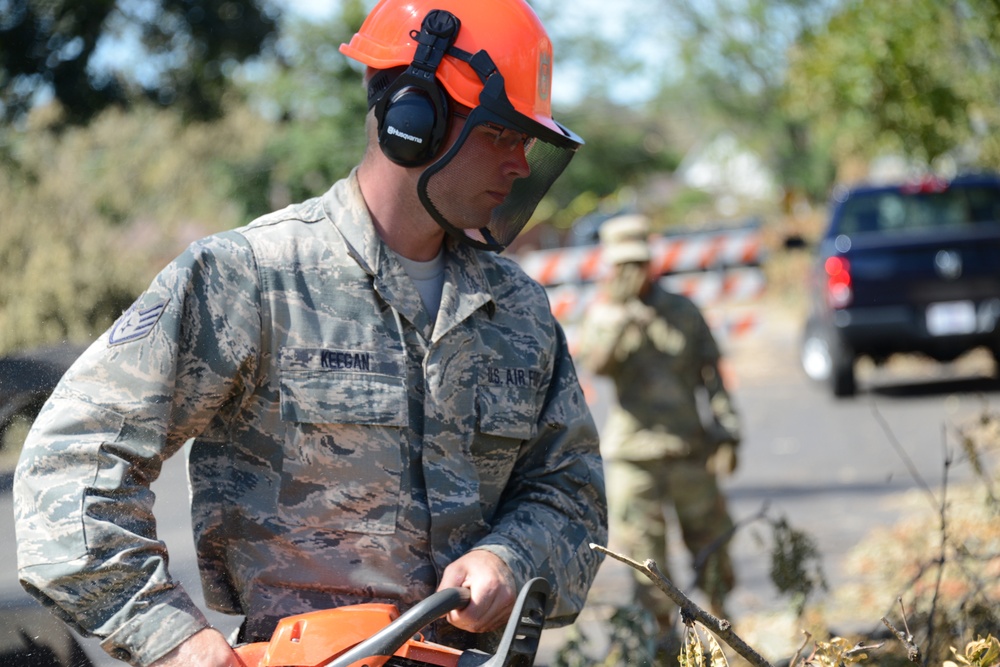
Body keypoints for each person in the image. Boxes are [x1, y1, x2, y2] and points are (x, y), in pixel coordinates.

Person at [13, 2, 608, 665]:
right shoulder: (248, 278)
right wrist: (171, 636)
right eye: (503, 135)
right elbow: (68, 463)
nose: (521, 166)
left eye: (528, 142)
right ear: (416, 119)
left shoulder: (518, 308)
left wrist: (509, 554)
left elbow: (568, 494)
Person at [576, 214, 741, 631]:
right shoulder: (603, 316)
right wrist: (623, 315)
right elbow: (598, 364)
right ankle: (662, 643)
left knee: (713, 548)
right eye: (623, 266)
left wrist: (727, 431)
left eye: (639, 263)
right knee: (646, 563)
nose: (632, 273)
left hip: (689, 449)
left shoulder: (682, 310)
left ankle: (724, 638)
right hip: (635, 456)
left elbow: (712, 374)